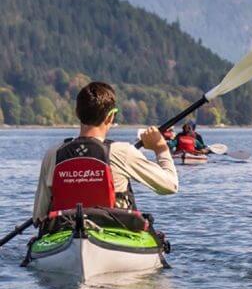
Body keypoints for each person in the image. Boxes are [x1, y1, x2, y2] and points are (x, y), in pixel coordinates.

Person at [32, 82, 178, 224]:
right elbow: (170, 186)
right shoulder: (123, 152)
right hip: (112, 230)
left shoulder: (53, 154)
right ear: (110, 116)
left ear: (77, 113)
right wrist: (160, 148)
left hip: (64, 231)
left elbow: (39, 217)